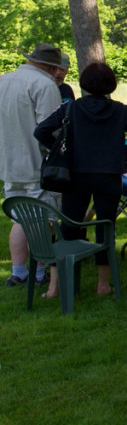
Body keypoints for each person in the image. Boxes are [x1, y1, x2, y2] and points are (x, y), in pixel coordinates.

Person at [35, 62, 127, 298]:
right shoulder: (121, 110)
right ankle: (103, 285)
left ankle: (56, 286)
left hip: (75, 175)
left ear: (84, 84)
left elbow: (41, 131)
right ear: (111, 85)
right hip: (109, 176)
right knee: (106, 227)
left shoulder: (70, 109)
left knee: (69, 226)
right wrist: (121, 152)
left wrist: (60, 151)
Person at [0, 44, 65, 287]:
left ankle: (19, 271)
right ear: (51, 67)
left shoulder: (4, 80)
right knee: (42, 219)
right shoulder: (44, 85)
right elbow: (50, 128)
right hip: (37, 164)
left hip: (9, 161)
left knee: (19, 218)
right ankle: (39, 273)